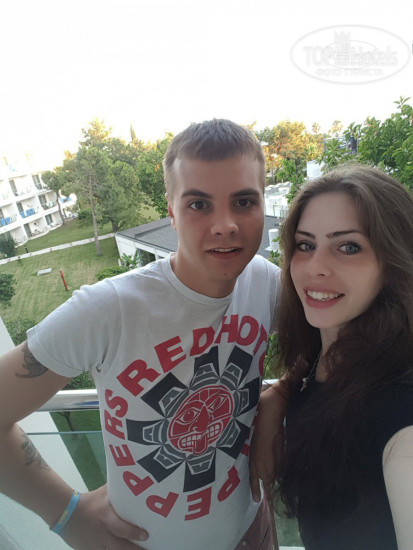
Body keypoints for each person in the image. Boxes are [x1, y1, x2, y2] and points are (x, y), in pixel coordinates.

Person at [0, 119, 281, 550]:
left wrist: (280, 396)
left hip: (253, 530)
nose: (225, 224)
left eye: (244, 201)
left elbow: (341, 344)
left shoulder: (265, 281)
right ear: (171, 211)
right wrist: (66, 513)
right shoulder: (108, 309)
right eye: (199, 204)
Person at [271, 165, 413, 549]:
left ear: (393, 261)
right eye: (305, 245)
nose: (316, 267)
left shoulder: (401, 410)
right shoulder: (320, 361)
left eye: (348, 247)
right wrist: (280, 394)